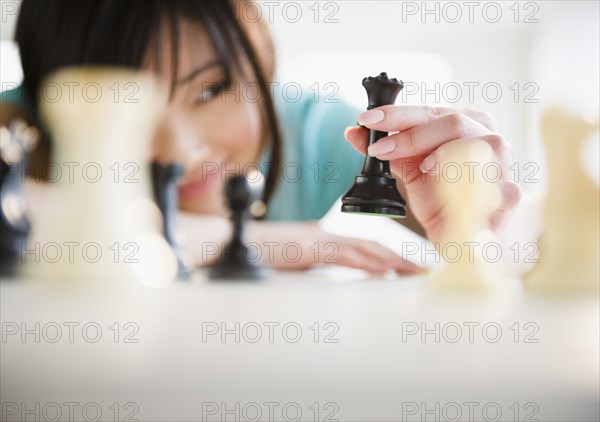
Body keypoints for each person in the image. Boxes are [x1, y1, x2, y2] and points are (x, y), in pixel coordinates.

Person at [1, 0, 521, 274]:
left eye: (210, 90)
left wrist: (474, 223)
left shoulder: (322, 137)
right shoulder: (18, 126)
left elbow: (492, 251)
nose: (180, 150)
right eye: (129, 105)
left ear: (263, 62)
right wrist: (278, 244)